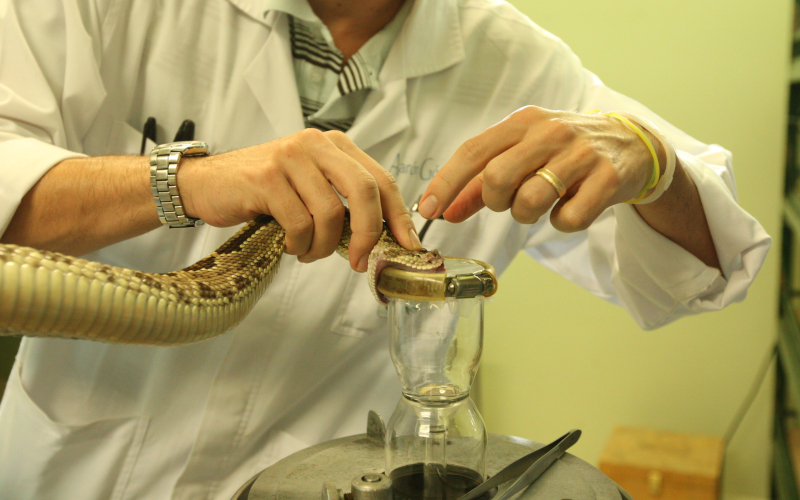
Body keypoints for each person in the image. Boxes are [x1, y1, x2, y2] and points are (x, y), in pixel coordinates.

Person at [0, 0, 769, 498]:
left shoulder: (516, 62)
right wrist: (185, 181)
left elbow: (706, 270)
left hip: (320, 481)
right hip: (73, 475)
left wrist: (651, 159)